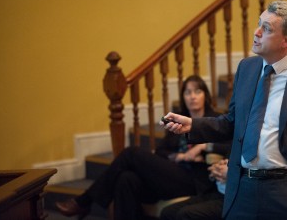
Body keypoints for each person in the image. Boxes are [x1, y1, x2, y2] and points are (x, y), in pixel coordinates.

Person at [161, 0, 287, 220]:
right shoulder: (246, 68)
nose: (256, 32)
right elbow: (232, 122)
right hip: (242, 188)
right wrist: (193, 124)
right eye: (258, 24)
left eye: (266, 29)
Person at [55, 75, 231, 220]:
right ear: (183, 97)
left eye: (197, 91)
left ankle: (85, 201)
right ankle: (86, 203)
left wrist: (203, 147)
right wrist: (180, 157)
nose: (192, 96)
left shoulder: (215, 119)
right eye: (188, 92)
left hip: (195, 180)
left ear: (205, 95)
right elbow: (162, 151)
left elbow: (229, 142)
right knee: (127, 178)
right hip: (172, 173)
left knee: (131, 153)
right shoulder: (178, 120)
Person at [160, 158, 228, 220]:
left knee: (186, 214)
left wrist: (231, 173)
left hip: (231, 200)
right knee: (168, 212)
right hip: (216, 191)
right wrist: (216, 170)